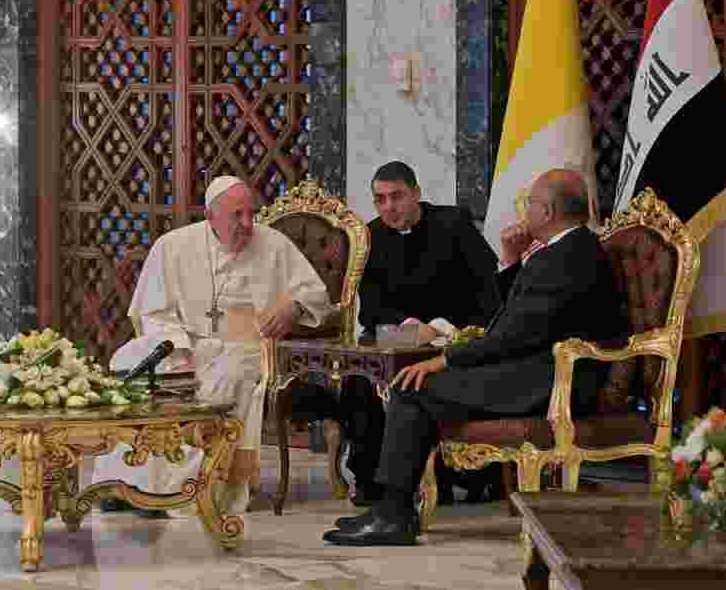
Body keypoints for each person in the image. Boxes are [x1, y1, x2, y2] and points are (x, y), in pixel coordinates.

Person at [322, 168, 628, 546]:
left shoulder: (565, 257)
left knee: (413, 386)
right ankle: (394, 509)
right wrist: (513, 260)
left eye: (530, 204)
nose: (524, 211)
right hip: (534, 369)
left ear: (547, 213)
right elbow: (513, 316)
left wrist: (446, 358)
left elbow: (512, 334)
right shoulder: (566, 250)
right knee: (414, 387)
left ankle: (394, 513)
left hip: (551, 381)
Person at [91, 175, 334, 517]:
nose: (248, 224)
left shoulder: (274, 244)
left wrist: (293, 307)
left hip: (247, 349)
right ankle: (126, 482)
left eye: (252, 213)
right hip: (181, 344)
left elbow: (317, 295)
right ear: (210, 216)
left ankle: (188, 490)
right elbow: (152, 310)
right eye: (238, 215)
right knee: (128, 361)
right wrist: (178, 349)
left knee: (225, 380)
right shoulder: (172, 246)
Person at [290, 161, 503, 506]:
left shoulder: (453, 224)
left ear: (416, 194)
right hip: (398, 339)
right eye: (380, 199)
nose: (389, 207)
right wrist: (406, 330)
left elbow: (487, 293)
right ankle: (370, 478)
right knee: (360, 380)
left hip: (454, 337)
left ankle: (461, 476)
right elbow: (372, 310)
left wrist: (437, 328)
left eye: (397, 197)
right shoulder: (371, 237)